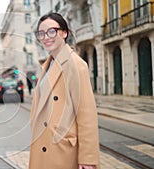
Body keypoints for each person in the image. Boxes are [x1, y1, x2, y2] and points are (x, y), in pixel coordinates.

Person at [29, 12, 100, 169]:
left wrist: (88, 158)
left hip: (62, 148)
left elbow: (86, 113)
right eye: (41, 33)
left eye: (52, 31)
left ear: (64, 33)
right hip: (44, 143)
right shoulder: (49, 64)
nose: (46, 37)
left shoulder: (75, 64)